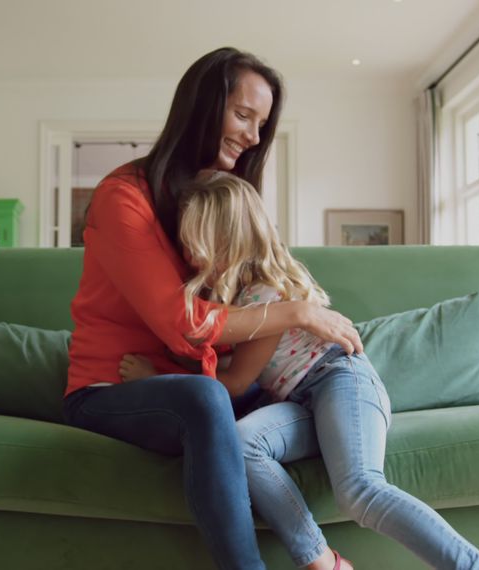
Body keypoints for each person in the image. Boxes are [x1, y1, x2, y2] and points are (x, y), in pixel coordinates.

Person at [63, 47, 364, 570]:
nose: (252, 135)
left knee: (292, 403)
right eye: (243, 115)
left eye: (261, 124)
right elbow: (185, 326)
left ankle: (323, 559)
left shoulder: (220, 204)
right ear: (201, 106)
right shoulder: (123, 197)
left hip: (207, 385)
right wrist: (296, 312)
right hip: (112, 390)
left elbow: (255, 299)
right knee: (205, 398)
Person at [120, 172, 479, 570]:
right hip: (301, 399)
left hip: (341, 380)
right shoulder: (240, 300)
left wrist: (156, 381)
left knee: (360, 490)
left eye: (193, 242)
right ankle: (324, 562)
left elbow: (233, 384)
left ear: (225, 241)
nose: (187, 254)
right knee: (244, 443)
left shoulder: (267, 297)